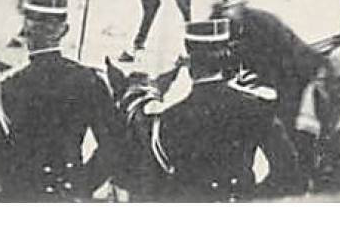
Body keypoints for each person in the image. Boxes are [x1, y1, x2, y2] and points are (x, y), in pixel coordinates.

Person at [124, 18, 302, 200]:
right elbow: (290, 177)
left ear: (191, 66)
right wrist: (249, 196)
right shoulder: (256, 108)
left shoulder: (168, 120)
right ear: (226, 62)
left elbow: (153, 186)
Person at [0, 0, 123, 200]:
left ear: (26, 32)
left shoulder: (6, 87)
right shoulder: (90, 80)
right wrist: (82, 185)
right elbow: (114, 145)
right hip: (69, 192)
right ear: (64, 31)